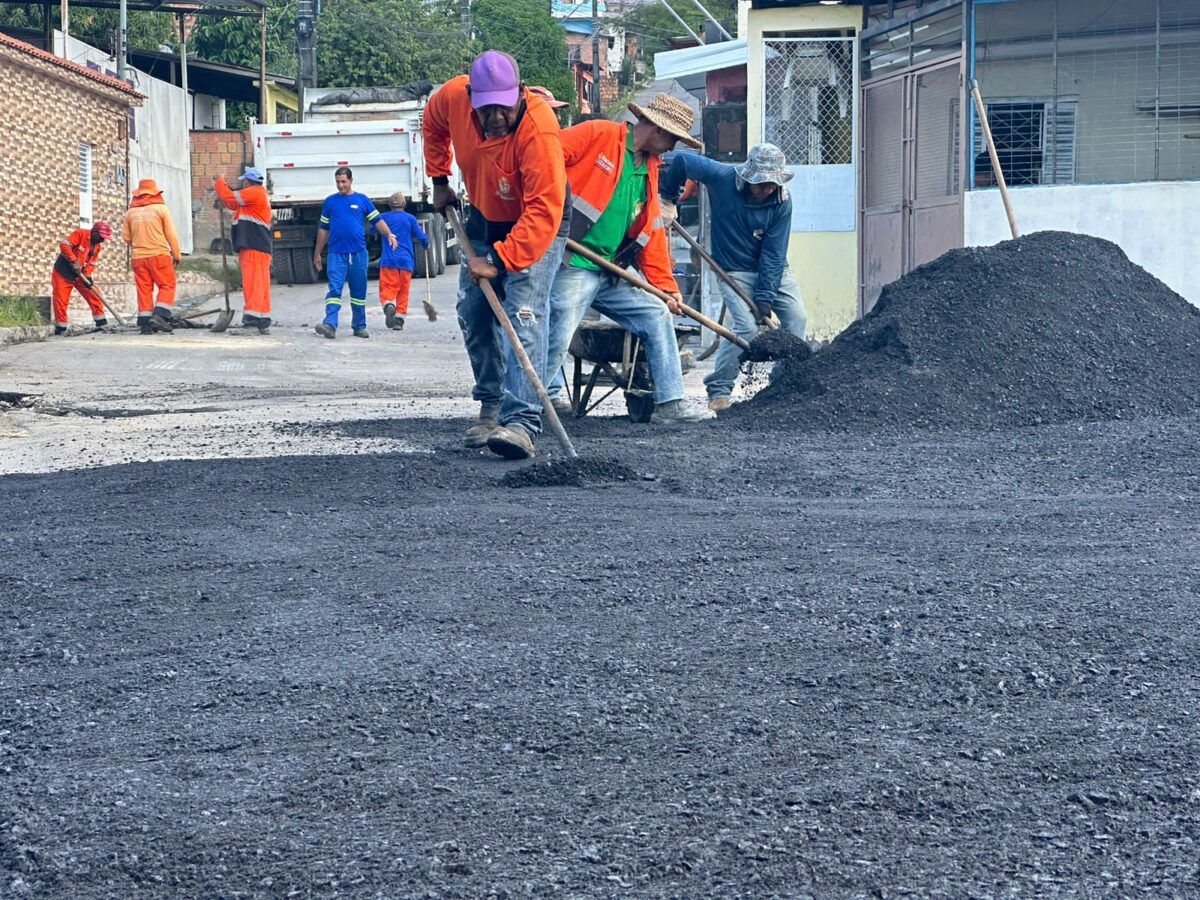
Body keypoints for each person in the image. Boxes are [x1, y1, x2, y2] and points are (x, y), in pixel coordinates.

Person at [423, 50, 568, 460]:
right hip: (486, 215)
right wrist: (439, 179)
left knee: (524, 311)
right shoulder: (452, 96)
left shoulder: (539, 131)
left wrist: (500, 261)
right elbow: (433, 126)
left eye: (503, 108)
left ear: (519, 94)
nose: (495, 118)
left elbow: (543, 211)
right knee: (474, 309)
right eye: (485, 110)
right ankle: (492, 405)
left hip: (538, 219)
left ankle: (522, 423)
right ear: (471, 97)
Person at [545, 94, 713, 424]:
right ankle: (534, 402)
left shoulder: (647, 169)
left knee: (656, 314)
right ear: (658, 131)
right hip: (575, 262)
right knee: (559, 327)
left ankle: (670, 404)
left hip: (608, 272)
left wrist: (666, 289)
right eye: (673, 140)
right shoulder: (598, 135)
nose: (672, 148)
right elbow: (541, 160)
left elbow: (649, 235)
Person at [660, 143, 806, 412]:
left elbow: (773, 254)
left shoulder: (781, 202)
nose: (767, 189)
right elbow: (680, 160)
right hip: (734, 270)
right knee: (746, 329)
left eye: (772, 184)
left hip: (774, 269)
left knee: (797, 320)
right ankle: (719, 388)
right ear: (747, 177)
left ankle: (782, 385)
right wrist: (667, 199)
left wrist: (765, 297)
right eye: (761, 184)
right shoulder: (722, 177)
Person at [312, 166, 398, 339]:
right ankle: (330, 324)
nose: (341, 185)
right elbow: (323, 229)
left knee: (358, 292)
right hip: (336, 254)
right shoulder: (330, 202)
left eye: (343, 181)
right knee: (334, 290)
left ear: (351, 181)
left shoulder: (361, 200)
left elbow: (377, 220)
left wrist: (389, 234)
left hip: (358, 254)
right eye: (338, 182)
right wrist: (317, 253)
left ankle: (359, 326)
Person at [214, 166, 273, 334]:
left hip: (253, 245)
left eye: (243, 182)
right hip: (259, 246)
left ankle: (252, 322)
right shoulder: (255, 196)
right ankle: (262, 321)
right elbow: (232, 203)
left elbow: (229, 197)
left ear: (247, 181)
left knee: (253, 283)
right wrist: (224, 200)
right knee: (260, 284)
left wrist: (219, 180)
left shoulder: (253, 192)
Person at [122, 178, 182, 334]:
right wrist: (176, 254)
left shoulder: (130, 213)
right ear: (155, 192)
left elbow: (127, 238)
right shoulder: (161, 209)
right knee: (167, 285)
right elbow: (171, 234)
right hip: (159, 255)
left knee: (144, 289)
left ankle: (145, 323)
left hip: (138, 257)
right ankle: (160, 315)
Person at [377, 192, 429, 331]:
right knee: (403, 291)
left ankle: (389, 305)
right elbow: (421, 236)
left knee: (387, 287)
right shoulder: (410, 219)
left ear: (389, 205)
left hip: (389, 261)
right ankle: (399, 320)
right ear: (404, 204)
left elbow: (372, 228)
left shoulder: (383, 218)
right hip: (406, 262)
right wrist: (425, 243)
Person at [50, 221, 112, 335]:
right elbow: (64, 244)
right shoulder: (81, 234)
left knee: (94, 294)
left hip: (80, 275)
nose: (103, 240)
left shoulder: (97, 247)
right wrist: (74, 260)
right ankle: (61, 327)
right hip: (64, 272)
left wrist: (88, 276)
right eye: (102, 237)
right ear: (94, 233)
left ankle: (101, 323)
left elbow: (92, 263)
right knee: (61, 300)